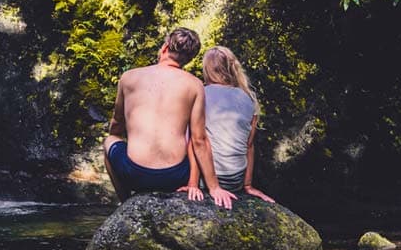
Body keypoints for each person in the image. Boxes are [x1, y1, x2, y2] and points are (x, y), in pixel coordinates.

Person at [103, 28, 237, 209]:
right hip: (174, 176)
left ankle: (126, 202)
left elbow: (117, 125)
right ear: (189, 59)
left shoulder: (128, 77)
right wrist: (214, 187)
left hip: (134, 174)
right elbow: (199, 140)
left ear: (165, 46)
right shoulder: (195, 84)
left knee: (110, 140)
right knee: (191, 136)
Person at [200, 46, 274, 203]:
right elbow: (249, 145)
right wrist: (247, 185)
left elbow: (196, 140)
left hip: (207, 179)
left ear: (207, 69)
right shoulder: (249, 98)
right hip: (235, 180)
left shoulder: (201, 93)